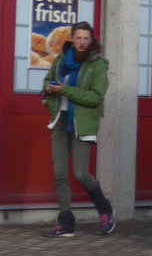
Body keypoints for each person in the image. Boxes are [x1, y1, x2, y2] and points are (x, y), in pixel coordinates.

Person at [41, 21, 116, 237]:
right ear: (72, 39)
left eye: (86, 38)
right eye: (78, 38)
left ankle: (105, 209)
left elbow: (95, 97)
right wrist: (48, 90)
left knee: (81, 173)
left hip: (82, 123)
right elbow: (48, 81)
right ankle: (66, 224)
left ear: (91, 40)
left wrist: (66, 90)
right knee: (60, 174)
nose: (82, 42)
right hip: (61, 121)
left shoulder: (97, 65)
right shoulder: (61, 59)